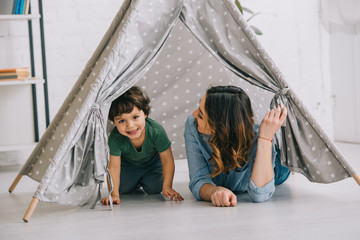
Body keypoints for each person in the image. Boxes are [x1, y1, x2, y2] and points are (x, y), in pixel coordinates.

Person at [184, 85, 290, 207]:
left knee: (282, 163)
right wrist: (215, 190)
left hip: (274, 168)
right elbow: (198, 180)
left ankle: (287, 164)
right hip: (230, 171)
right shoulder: (193, 124)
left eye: (201, 115)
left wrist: (265, 138)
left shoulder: (257, 137)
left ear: (220, 126)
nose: (194, 114)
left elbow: (260, 194)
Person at [101, 86, 183, 205]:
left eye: (135, 117)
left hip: (152, 164)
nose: (130, 125)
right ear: (114, 122)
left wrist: (167, 186)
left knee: (155, 189)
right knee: (123, 190)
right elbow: (113, 167)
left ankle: (144, 181)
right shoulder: (115, 138)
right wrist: (114, 194)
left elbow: (167, 160)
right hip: (128, 165)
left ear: (145, 113)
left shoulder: (156, 131)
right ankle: (134, 182)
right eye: (121, 121)